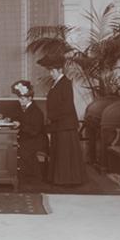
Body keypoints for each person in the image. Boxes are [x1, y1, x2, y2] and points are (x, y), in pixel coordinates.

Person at [38, 54, 86, 185]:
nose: (50, 73)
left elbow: (67, 106)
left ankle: (68, 180)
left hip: (65, 125)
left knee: (65, 153)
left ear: (60, 70)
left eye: (52, 71)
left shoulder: (65, 83)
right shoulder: (56, 83)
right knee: (59, 152)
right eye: (50, 71)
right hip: (59, 124)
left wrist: (52, 116)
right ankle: (59, 178)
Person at [10, 80, 48, 181]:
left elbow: (34, 131)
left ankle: (31, 176)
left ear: (30, 98)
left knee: (16, 147)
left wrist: (20, 125)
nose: (20, 100)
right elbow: (20, 118)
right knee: (11, 144)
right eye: (19, 98)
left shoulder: (36, 111)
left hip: (37, 139)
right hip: (28, 137)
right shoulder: (24, 108)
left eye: (22, 98)